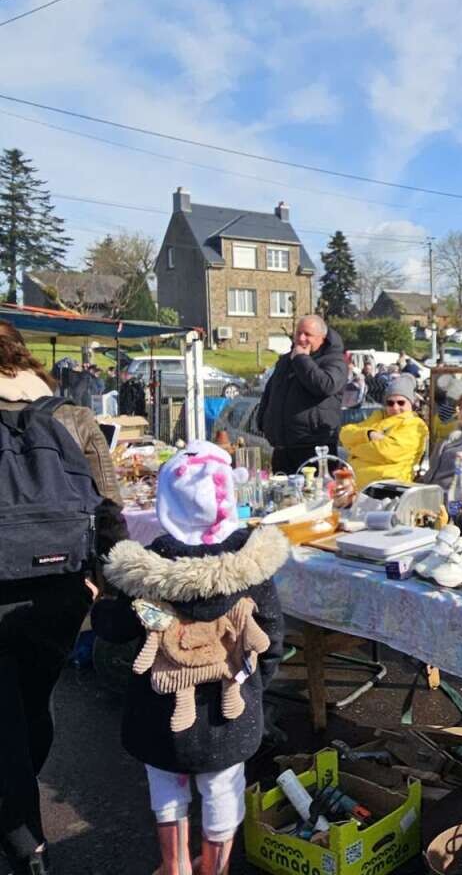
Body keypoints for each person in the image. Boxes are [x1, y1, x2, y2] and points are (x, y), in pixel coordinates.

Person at [92, 443, 284, 875]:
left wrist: (99, 603)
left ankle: (174, 863)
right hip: (230, 706)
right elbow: (271, 636)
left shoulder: (148, 569)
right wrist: (253, 685)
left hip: (159, 708)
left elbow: (117, 627)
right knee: (223, 786)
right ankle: (213, 867)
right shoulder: (251, 565)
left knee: (166, 782)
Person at [0, 322, 128, 874]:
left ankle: (21, 838)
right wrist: (102, 583)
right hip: (58, 592)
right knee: (32, 704)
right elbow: (110, 507)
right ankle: (22, 830)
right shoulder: (70, 415)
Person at [258, 315, 348, 474]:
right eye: (298, 333)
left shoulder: (335, 360)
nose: (301, 338)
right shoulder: (287, 360)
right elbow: (271, 391)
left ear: (322, 337)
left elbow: (325, 386)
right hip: (282, 447)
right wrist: (263, 421)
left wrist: (301, 359)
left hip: (313, 447)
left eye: (308, 334)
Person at [338, 376, 429, 489]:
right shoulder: (378, 417)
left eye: (401, 403)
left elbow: (388, 452)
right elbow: (344, 433)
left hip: (385, 487)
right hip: (355, 483)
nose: (395, 407)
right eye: (390, 403)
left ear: (411, 403)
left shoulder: (415, 425)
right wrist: (368, 434)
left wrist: (354, 448)